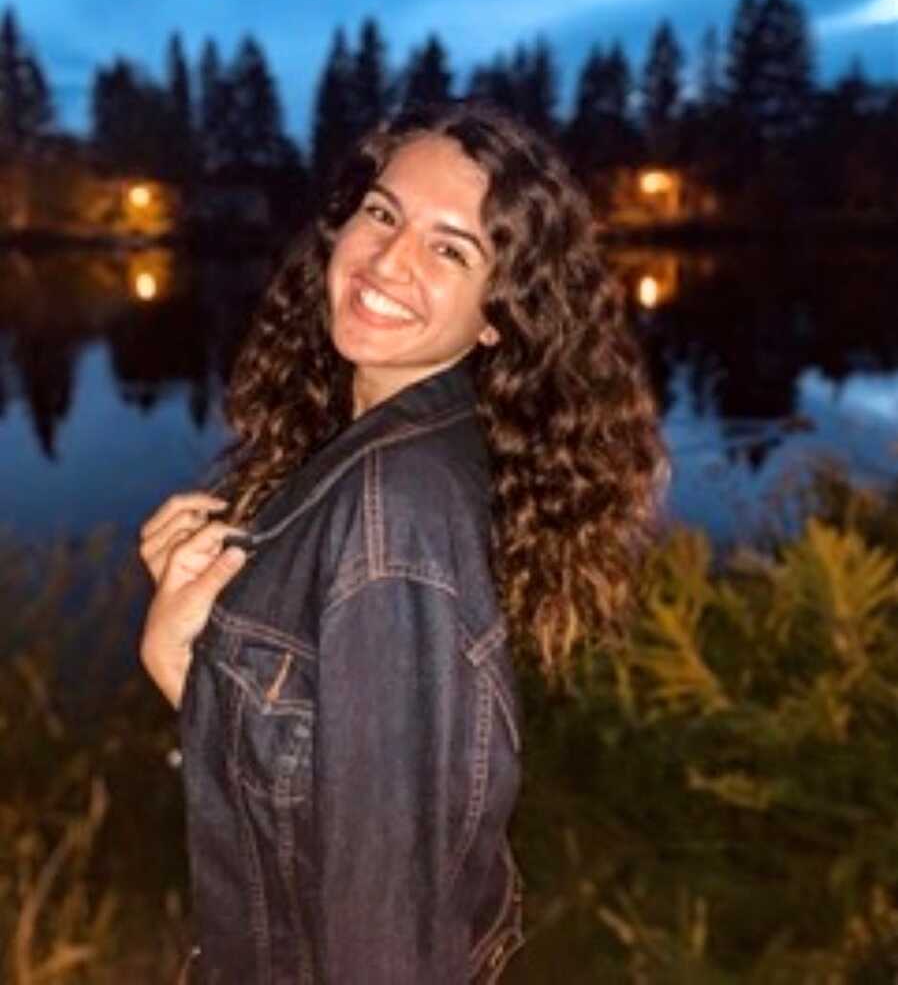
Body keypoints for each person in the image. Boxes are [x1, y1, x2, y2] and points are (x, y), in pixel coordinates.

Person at [138, 100, 669, 984]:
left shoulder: (394, 512)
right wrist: (190, 670)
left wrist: (181, 663)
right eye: (383, 213)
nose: (388, 260)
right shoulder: (386, 454)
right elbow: (331, 792)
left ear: (499, 313)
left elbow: (389, 942)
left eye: (450, 248)